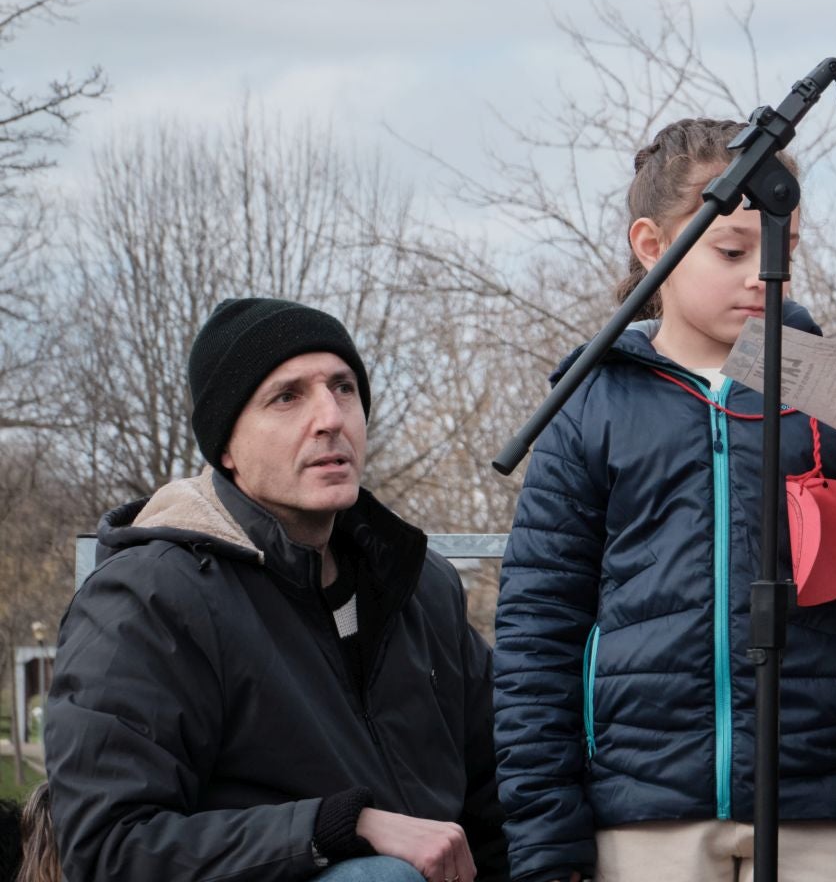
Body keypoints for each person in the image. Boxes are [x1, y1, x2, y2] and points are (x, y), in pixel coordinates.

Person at [491, 118, 836, 882]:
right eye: (730, 250)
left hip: (832, 813)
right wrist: (547, 840)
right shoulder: (588, 407)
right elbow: (535, 634)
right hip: (642, 820)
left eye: (778, 247)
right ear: (652, 246)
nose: (761, 273)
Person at [43, 297, 505, 882]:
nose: (330, 418)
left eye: (343, 388)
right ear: (226, 448)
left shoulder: (419, 586)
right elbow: (111, 847)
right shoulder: (151, 596)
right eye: (287, 397)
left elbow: (501, 787)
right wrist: (339, 826)